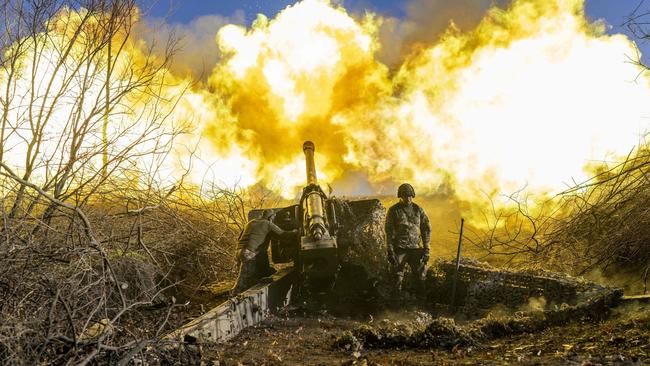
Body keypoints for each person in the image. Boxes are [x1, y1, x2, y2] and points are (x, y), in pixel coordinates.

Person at [231, 209, 297, 295]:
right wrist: (295, 232)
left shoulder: (251, 222)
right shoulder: (268, 224)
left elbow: (240, 238)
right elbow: (283, 234)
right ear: (270, 217)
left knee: (261, 271)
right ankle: (233, 297)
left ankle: (264, 276)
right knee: (244, 281)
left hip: (239, 251)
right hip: (249, 253)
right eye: (273, 217)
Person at [385, 183, 431, 292]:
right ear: (400, 196)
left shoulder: (418, 210)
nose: (408, 198)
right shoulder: (394, 210)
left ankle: (419, 302)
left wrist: (427, 249)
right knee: (397, 277)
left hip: (415, 249)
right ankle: (395, 304)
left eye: (410, 196)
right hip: (400, 249)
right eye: (405, 196)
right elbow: (389, 232)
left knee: (420, 277)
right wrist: (390, 250)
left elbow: (426, 229)